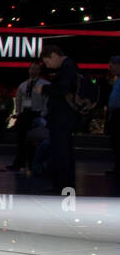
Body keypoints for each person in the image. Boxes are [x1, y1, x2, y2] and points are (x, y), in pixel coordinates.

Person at [40, 44, 78, 193]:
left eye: (48, 62)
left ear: (54, 55)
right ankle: (63, 185)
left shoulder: (68, 67)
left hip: (63, 117)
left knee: (61, 151)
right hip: (63, 117)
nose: (48, 66)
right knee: (62, 150)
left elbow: (62, 89)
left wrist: (45, 89)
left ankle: (63, 186)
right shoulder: (69, 66)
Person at [6, 62, 49, 171]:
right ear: (29, 70)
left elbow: (47, 100)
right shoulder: (23, 85)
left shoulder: (45, 85)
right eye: (32, 69)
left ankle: (34, 163)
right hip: (24, 114)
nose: (33, 71)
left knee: (35, 141)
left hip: (37, 114)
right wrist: (19, 112)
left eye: (36, 69)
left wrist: (44, 113)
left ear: (39, 71)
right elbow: (19, 99)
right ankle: (19, 162)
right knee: (21, 139)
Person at [106, 55, 120, 176]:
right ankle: (117, 167)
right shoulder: (117, 79)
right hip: (115, 112)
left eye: (112, 66)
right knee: (115, 141)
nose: (110, 68)